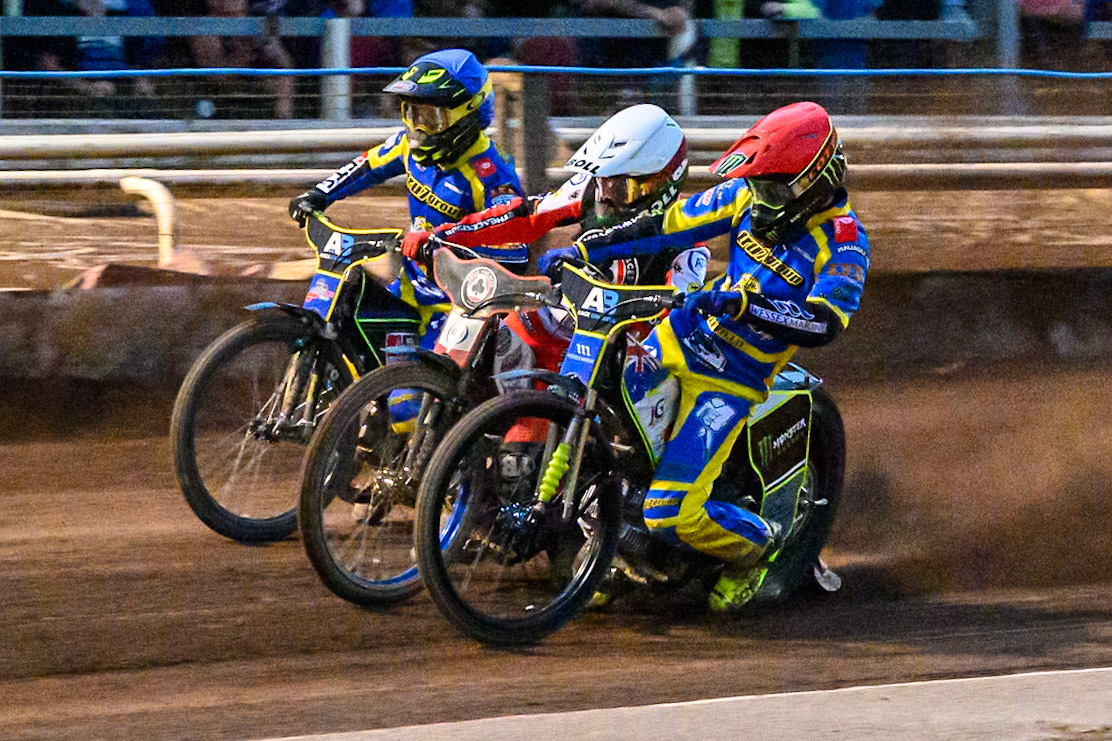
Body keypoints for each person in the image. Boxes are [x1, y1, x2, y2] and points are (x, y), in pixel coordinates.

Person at [541, 101, 869, 611]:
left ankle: (758, 548)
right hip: (675, 340)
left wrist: (748, 304)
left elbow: (824, 321)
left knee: (670, 511)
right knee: (604, 415)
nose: (760, 199)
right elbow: (665, 224)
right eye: (758, 186)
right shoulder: (746, 191)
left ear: (814, 181)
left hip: (731, 380)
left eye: (773, 189)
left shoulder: (843, 242)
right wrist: (588, 250)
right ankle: (606, 542)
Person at [399, 103, 708, 371]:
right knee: (501, 335)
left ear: (662, 184)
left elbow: (680, 319)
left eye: (622, 186)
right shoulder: (591, 188)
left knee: (541, 371)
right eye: (604, 180)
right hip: (568, 310)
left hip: (623, 343)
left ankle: (535, 434)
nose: (608, 195)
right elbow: (527, 217)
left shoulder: (688, 238)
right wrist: (444, 234)